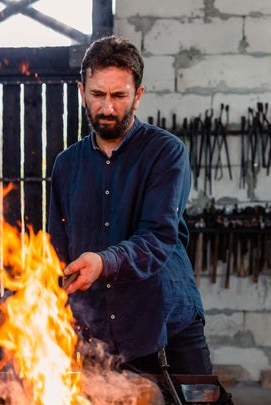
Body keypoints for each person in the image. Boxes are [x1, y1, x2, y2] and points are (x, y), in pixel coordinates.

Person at [47, 35, 212, 375]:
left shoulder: (166, 153)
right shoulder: (66, 165)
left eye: (118, 96)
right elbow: (56, 249)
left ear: (137, 96)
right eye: (97, 95)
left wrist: (103, 262)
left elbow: (158, 237)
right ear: (82, 93)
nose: (107, 108)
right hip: (98, 336)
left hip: (165, 325)